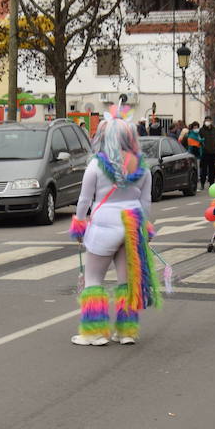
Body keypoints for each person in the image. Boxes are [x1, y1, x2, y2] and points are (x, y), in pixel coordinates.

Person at [68, 111, 161, 346]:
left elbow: (84, 200)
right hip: (132, 224)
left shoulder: (97, 165)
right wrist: (145, 229)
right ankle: (127, 331)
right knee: (126, 281)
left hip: (104, 225)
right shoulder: (142, 166)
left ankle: (94, 332)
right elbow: (146, 202)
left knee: (93, 278)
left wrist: (79, 224)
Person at [198, 117, 215, 189]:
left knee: (212, 168)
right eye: (206, 121)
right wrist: (203, 147)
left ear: (211, 121)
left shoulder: (214, 129)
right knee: (203, 169)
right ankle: (202, 183)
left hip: (213, 152)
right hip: (205, 152)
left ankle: (211, 183)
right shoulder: (202, 130)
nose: (207, 122)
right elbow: (199, 140)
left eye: (209, 120)